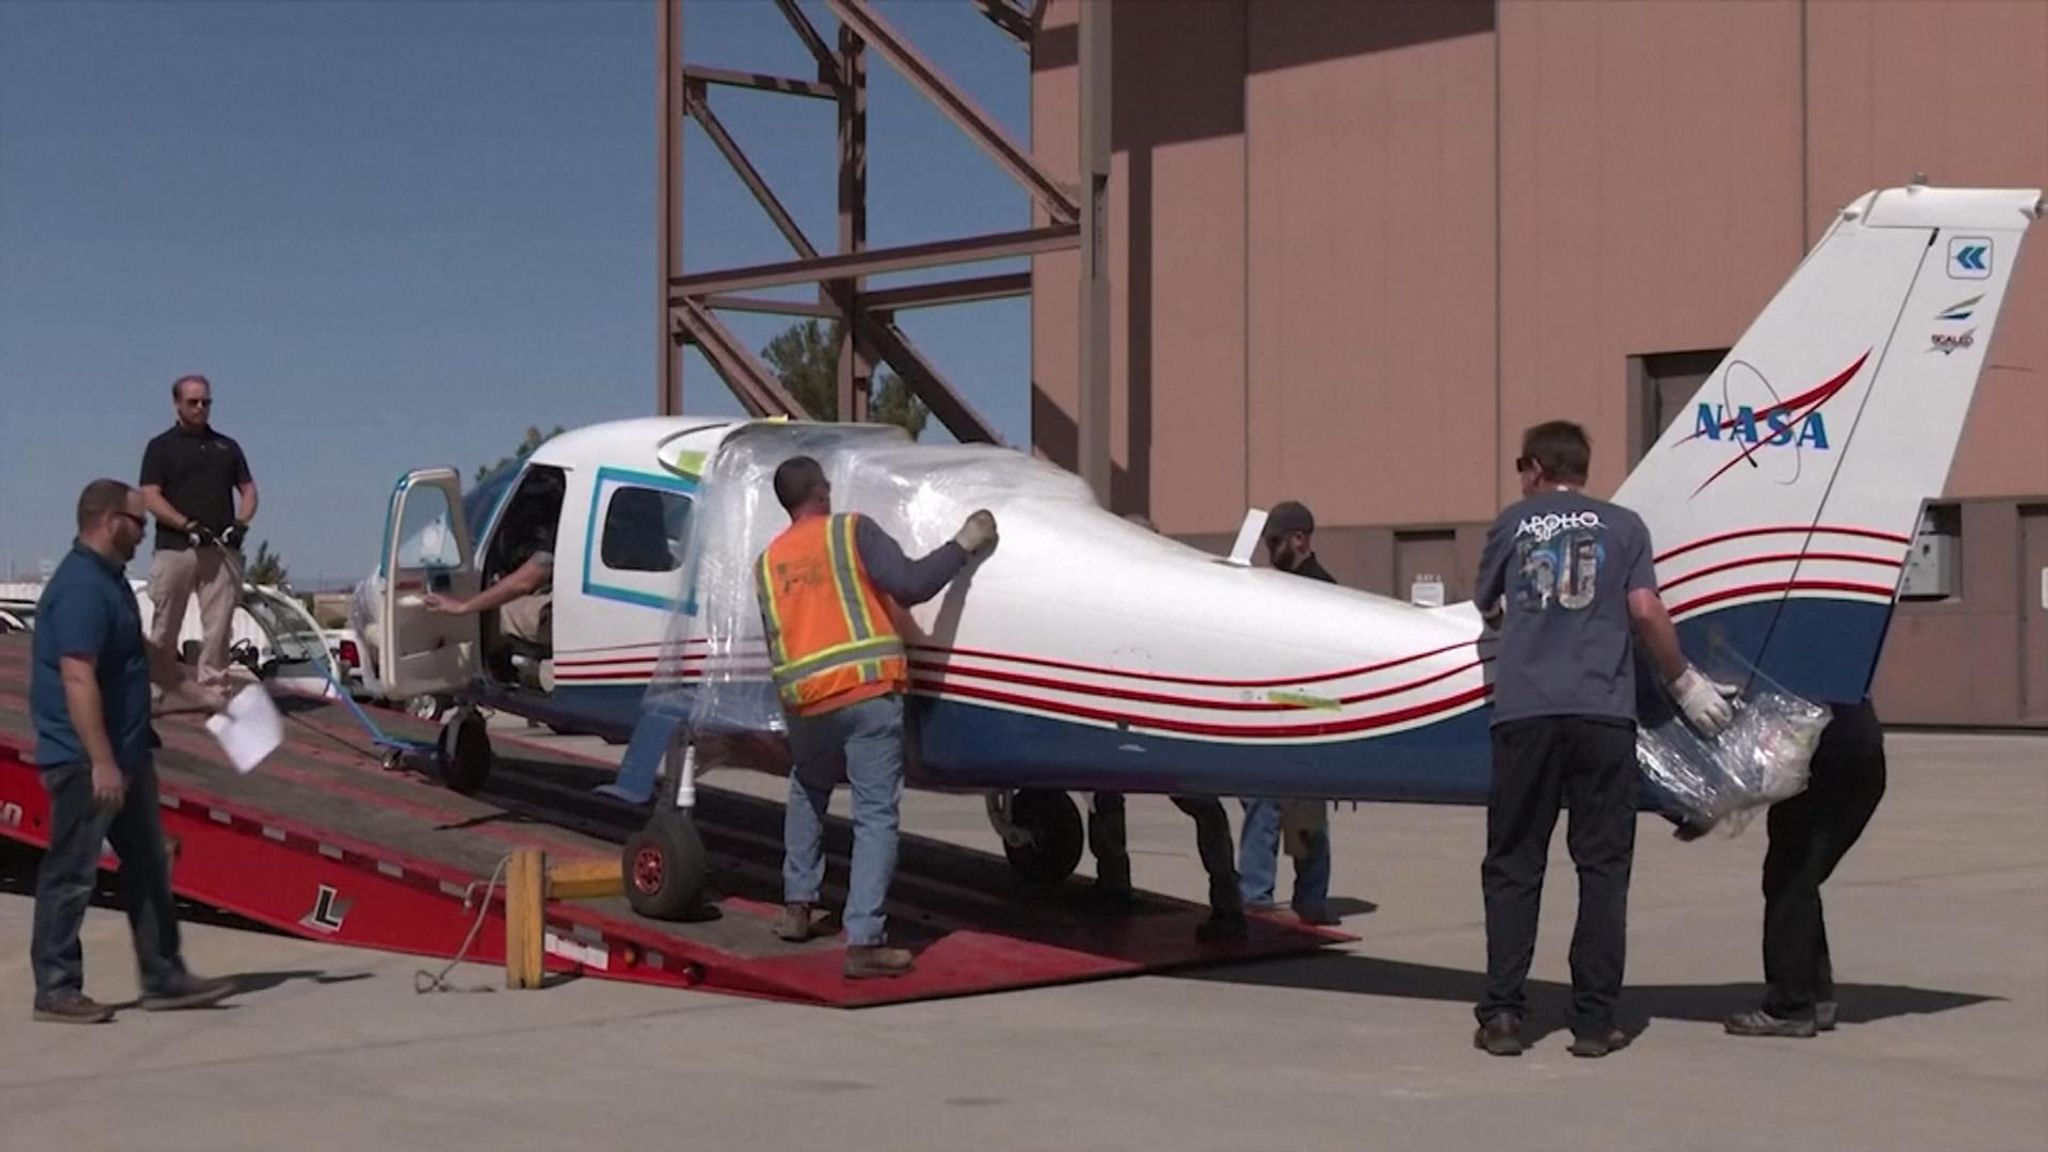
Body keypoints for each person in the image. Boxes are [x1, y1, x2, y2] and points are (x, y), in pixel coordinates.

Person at [1471, 421, 1737, 1059]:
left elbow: (1487, 606)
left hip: (1526, 714)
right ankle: (1593, 1022)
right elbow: (1644, 611)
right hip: (1601, 715)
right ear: (1582, 468)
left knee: (1514, 864)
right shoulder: (1624, 527)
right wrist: (1686, 685)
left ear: (1535, 467)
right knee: (1602, 868)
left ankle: (1505, 1014)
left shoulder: (1513, 524)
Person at [755, 456, 998, 978]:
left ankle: (798, 906)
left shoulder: (768, 561)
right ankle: (864, 940)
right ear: (821, 490)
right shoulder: (850, 532)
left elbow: (775, 638)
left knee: (807, 787)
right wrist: (964, 545)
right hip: (866, 694)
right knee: (875, 816)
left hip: (807, 702)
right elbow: (909, 583)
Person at [30, 478, 240, 1023]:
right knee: (72, 875)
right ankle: (55, 988)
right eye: (138, 521)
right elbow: (78, 678)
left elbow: (141, 654)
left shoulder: (112, 583)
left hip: (128, 756)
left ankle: (164, 977)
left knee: (148, 865)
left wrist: (198, 694)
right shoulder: (80, 587)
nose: (145, 533)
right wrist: (100, 760)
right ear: (107, 520)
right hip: (85, 762)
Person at [1080, 514, 1248, 942]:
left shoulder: (1118, 591)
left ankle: (1119, 883)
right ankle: (1224, 902)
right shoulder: (1165, 591)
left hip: (1149, 717)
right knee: (1112, 799)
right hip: (1144, 715)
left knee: (1119, 798)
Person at [1725, 696, 1887, 1037]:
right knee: (1797, 876)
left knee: (1790, 881)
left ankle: (1791, 1005)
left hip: (1827, 764)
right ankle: (1814, 993)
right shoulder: (1837, 670)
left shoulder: (1797, 673)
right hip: (1854, 761)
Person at [1235, 500, 1337, 926]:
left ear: (1298, 539)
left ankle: (1294, 899)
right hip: (1275, 711)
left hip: (1307, 712)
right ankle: (1265, 896)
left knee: (1303, 814)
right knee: (1264, 803)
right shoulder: (1276, 586)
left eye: (1274, 542)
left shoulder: (1322, 590)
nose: (1267, 550)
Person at [139, 374, 258, 693]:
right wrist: (186, 525)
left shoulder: (227, 447)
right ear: (177, 404)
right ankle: (157, 688)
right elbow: (150, 495)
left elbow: (248, 490)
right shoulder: (160, 447)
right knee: (166, 624)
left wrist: (241, 525)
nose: (200, 407)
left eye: (206, 402)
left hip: (220, 552)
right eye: (193, 402)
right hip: (175, 549)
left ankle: (214, 688)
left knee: (219, 626)